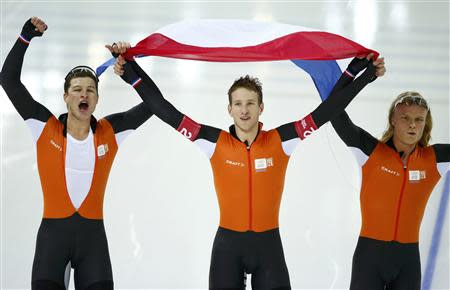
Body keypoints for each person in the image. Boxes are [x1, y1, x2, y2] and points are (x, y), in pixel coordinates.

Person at [110, 42, 385, 289]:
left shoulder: (282, 140)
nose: (244, 110)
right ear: (229, 109)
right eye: (238, 104)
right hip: (228, 249)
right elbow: (165, 110)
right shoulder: (213, 142)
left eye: (250, 103)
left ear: (261, 107)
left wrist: (361, 75)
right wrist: (131, 72)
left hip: (268, 249)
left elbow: (327, 111)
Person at [1, 18, 154, 290]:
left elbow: (155, 104)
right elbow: (9, 81)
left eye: (90, 90)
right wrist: (25, 38)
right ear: (66, 97)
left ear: (97, 98)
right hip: (52, 243)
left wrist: (130, 66)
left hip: (93, 244)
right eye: (77, 90)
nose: (84, 95)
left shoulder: (110, 131)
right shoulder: (44, 127)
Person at [330, 60, 449, 290]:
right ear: (393, 119)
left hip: (407, 261)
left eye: (419, 120)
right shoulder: (370, 151)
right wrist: (358, 75)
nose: (412, 125)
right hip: (369, 258)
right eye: (405, 118)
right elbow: (335, 113)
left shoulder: (433, 160)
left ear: (426, 123)